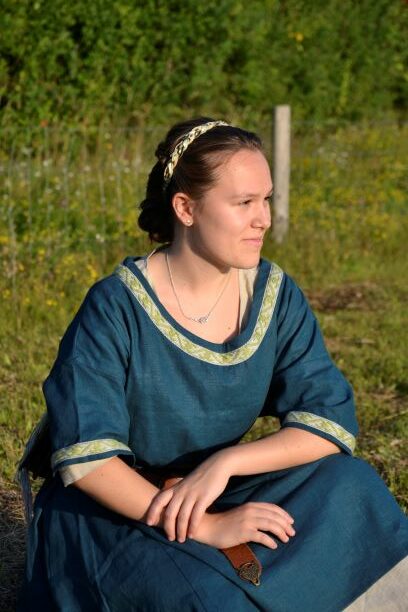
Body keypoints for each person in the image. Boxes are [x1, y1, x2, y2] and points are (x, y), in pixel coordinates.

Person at [17, 117, 407, 611]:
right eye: (244, 203)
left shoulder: (273, 294)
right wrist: (210, 526)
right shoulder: (115, 306)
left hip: (212, 486)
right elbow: (89, 462)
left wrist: (225, 465)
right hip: (116, 508)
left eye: (266, 200)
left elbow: (328, 423)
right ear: (186, 208)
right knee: (208, 597)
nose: (263, 219)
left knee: (352, 486)